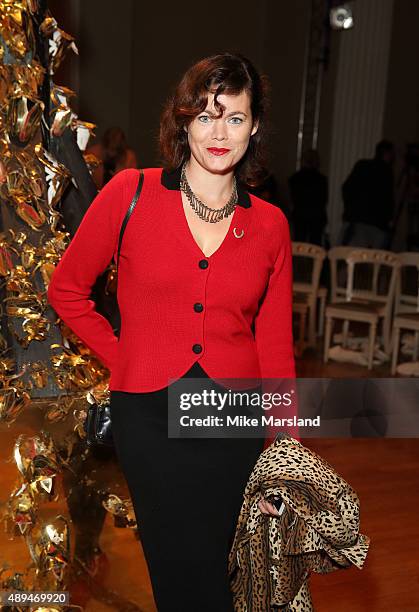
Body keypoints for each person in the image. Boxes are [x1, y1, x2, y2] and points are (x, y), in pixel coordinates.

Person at [47, 53, 295, 611]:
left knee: (219, 570)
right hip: (149, 417)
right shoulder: (130, 193)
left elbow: (276, 346)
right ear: (182, 121)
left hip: (233, 417)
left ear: (254, 127)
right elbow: (66, 290)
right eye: (205, 115)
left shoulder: (270, 225)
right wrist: (126, 355)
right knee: (175, 567)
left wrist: (285, 451)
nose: (218, 132)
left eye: (234, 117)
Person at [341, 140, 395, 248]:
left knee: (353, 258)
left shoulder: (362, 165)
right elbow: (388, 200)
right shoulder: (387, 172)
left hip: (357, 220)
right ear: (387, 154)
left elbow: (346, 188)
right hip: (376, 224)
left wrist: (350, 210)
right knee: (373, 261)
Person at [288, 149, 328, 245]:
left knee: (299, 245)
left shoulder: (295, 178)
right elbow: (324, 200)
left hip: (300, 215)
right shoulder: (322, 180)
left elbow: (293, 199)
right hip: (316, 216)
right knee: (315, 247)